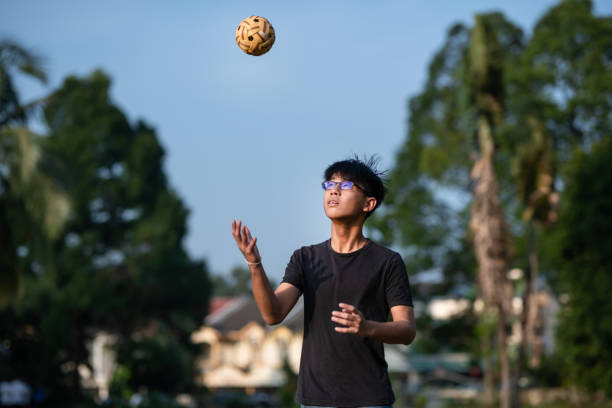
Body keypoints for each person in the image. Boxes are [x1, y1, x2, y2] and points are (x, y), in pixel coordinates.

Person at [231, 157, 416, 408]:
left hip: (370, 397)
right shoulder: (306, 258)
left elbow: (406, 330)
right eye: (329, 185)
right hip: (316, 398)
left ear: (368, 204)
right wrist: (255, 264)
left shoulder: (388, 262)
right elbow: (272, 314)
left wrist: (367, 327)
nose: (334, 191)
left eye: (346, 186)